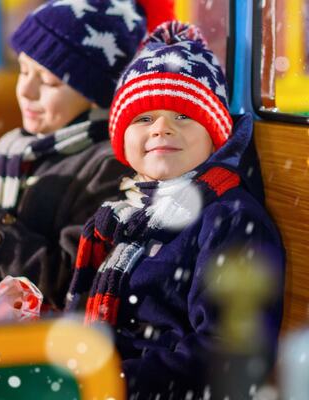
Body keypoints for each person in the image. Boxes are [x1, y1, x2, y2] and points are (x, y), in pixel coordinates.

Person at [66, 21, 285, 399]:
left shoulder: (230, 219)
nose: (162, 128)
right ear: (122, 140)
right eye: (144, 118)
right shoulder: (120, 215)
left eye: (183, 116)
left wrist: (113, 382)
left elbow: (229, 350)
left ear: (214, 133)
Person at [0, 0, 174, 310]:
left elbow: (65, 283)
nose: (26, 91)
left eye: (49, 81)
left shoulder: (111, 167)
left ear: (94, 96)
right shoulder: (16, 147)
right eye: (23, 70)